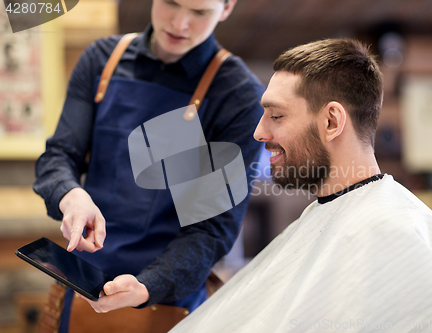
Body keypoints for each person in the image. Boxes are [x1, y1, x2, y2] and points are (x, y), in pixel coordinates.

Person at [168, 38, 432, 333]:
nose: (259, 132)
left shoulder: (389, 230)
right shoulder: (328, 216)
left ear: (331, 122)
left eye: (276, 116)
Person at [33, 0, 264, 331]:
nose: (180, 23)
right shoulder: (102, 60)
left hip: (165, 302)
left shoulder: (238, 95)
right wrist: (70, 195)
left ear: (227, 8)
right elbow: (58, 156)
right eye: (172, 2)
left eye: (199, 13)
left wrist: (147, 285)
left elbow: (212, 229)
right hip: (81, 284)